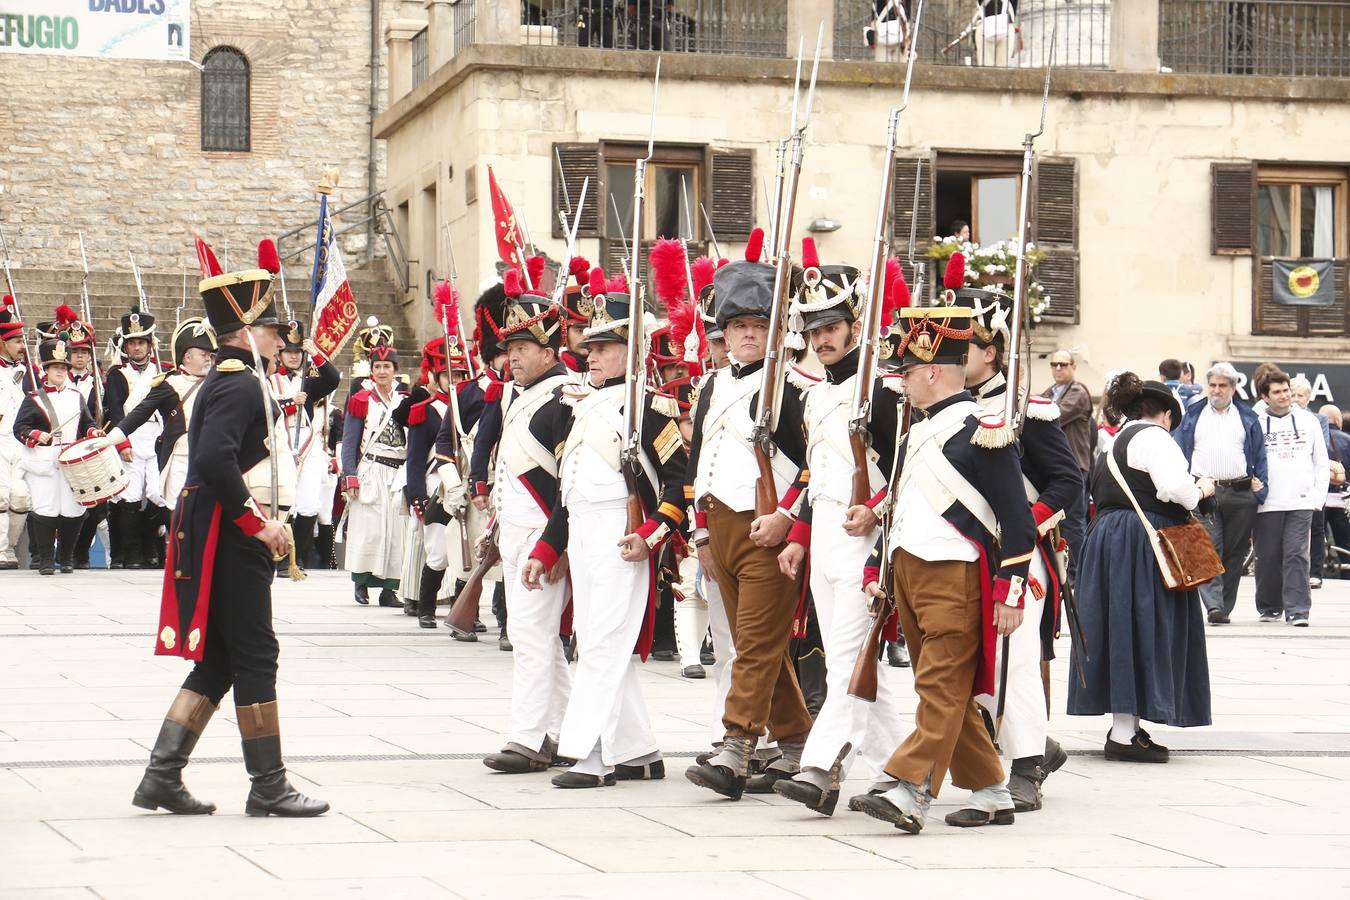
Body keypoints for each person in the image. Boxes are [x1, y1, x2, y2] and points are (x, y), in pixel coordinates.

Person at [133, 243, 326, 818]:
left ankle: (161, 777)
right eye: (269, 325)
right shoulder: (240, 381)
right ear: (246, 327)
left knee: (217, 660)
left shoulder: (235, 377)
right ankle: (268, 785)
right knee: (255, 653)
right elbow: (213, 460)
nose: (278, 335)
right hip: (225, 533)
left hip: (216, 528)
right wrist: (257, 524)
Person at [847, 303, 1037, 834]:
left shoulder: (983, 429)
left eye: (905, 372)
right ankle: (993, 792)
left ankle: (910, 789)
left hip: (956, 575)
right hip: (910, 571)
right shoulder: (917, 431)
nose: (900, 383)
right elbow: (903, 510)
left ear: (932, 370)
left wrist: (1010, 592)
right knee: (945, 688)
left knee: (938, 684)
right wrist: (878, 570)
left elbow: (1017, 522)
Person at [524, 264, 688, 788]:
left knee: (600, 644)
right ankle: (639, 751)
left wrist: (650, 536)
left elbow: (677, 487)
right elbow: (569, 497)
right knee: (600, 638)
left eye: (602, 345)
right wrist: (547, 551)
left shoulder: (650, 407)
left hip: (623, 537)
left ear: (630, 349)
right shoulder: (586, 407)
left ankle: (590, 755)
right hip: (587, 534)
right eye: (589, 345)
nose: (588, 354)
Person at [770, 241, 908, 816]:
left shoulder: (884, 390)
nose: (822, 339)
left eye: (832, 327)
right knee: (844, 660)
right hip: (824, 526)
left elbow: (904, 467)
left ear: (856, 325)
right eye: (813, 329)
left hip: (863, 534)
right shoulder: (814, 394)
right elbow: (811, 471)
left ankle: (821, 768)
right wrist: (799, 535)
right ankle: (904, 764)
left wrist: (876, 508)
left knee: (851, 652)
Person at [681, 230, 815, 801]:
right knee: (756, 642)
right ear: (726, 334)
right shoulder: (710, 386)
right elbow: (698, 462)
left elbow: (815, 465)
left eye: (759, 328)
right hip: (722, 528)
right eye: (739, 328)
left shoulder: (793, 388)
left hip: (768, 529)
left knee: (755, 644)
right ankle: (795, 745)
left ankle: (735, 745)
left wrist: (787, 516)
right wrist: (702, 534)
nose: (748, 336)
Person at [962, 273, 1083, 813]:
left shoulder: (1026, 408)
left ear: (989, 352)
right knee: (972, 659)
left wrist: (1024, 523)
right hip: (966, 545)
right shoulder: (948, 404)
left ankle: (1027, 765)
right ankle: (1036, 742)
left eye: (959, 343)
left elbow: (1067, 482)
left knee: (1012, 658)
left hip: (1019, 549)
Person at [1068, 373, 1212, 762]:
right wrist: (1203, 490)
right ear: (1165, 414)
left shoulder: (1113, 440)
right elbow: (1176, 490)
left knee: (1121, 629)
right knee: (1144, 626)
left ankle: (1125, 727)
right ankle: (1124, 735)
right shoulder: (1154, 437)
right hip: (1143, 539)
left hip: (1110, 535)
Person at [474, 271, 576, 774]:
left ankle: (528, 737)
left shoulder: (566, 397)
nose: (511, 357)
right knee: (538, 638)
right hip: (514, 533)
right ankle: (564, 729)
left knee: (532, 639)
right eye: (509, 347)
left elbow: (568, 486)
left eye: (522, 346)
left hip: (543, 535)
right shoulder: (516, 395)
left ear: (549, 350)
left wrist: (556, 546)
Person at [1173, 362, 1268, 625]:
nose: (1216, 390)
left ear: (1233, 387)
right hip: (1204, 493)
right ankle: (1213, 605)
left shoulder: (1247, 417)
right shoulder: (1192, 414)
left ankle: (1224, 606)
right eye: (1212, 385)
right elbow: (1179, 451)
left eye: (1222, 385)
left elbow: (1260, 456)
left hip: (1240, 492)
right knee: (1207, 548)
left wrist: (1261, 490)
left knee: (1234, 553)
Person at [405, 323, 481, 628]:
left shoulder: (474, 404)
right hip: (439, 486)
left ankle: (467, 613)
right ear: (436, 377)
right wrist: (418, 497)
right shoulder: (424, 410)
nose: (456, 380)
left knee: (470, 552)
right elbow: (414, 460)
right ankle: (426, 608)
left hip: (468, 484)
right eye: (450, 375)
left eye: (462, 375)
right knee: (438, 552)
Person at [106, 318, 219, 515]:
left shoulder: (217, 383)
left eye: (210, 354)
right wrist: (112, 440)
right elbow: (138, 413)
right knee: (175, 509)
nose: (209, 359)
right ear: (187, 357)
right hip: (178, 456)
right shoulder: (168, 382)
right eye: (204, 354)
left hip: (209, 457)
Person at [12, 334, 99, 575]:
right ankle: (47, 560)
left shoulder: (76, 397)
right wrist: (36, 435)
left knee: (73, 509)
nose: (60, 371)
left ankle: (67, 558)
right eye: (55, 367)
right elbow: (19, 428)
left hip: (70, 459)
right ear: (46, 370)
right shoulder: (33, 398)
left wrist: (93, 431)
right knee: (45, 509)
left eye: (63, 367)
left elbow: (87, 424)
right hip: (43, 461)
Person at [1253, 370, 1328, 626]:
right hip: (1267, 502)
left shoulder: (1310, 422)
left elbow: (1321, 462)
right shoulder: (1256, 422)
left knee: (1296, 554)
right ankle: (1270, 605)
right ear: (1265, 397)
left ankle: (1298, 610)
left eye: (1286, 390)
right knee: (1268, 556)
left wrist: (1317, 497)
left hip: (1301, 501)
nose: (1284, 396)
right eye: (1277, 392)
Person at [341, 339, 408, 607]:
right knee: (369, 531)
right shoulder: (361, 400)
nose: (382, 371)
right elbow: (349, 442)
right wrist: (350, 476)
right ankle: (361, 584)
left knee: (395, 532)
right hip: (371, 469)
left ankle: (390, 590)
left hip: (398, 471)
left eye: (387, 366)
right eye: (377, 366)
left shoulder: (406, 400)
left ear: (395, 370)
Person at [104, 305, 171, 570]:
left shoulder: (164, 371)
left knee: (157, 493)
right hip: (131, 436)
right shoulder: (118, 375)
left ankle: (152, 548)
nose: (138, 348)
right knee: (130, 497)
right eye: (132, 343)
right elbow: (118, 410)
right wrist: (122, 443)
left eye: (142, 342)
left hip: (157, 437)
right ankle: (132, 554)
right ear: (126, 346)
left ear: (150, 344)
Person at [270, 320, 340, 575]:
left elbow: (332, 380)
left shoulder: (307, 380)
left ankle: (294, 558)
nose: (292, 356)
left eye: (297, 352)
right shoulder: (269, 378)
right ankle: (277, 557)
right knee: (282, 502)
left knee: (309, 503)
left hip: (307, 446)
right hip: (279, 444)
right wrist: (289, 403)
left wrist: (315, 354)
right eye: (288, 351)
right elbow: (262, 406)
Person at [0, 295, 34, 570]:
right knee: (1, 496)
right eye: (17, 342)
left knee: (21, 497)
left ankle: (10, 547)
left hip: (21, 443)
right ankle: (2, 552)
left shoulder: (29, 372)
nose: (22, 347)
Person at [1290, 376, 1332, 588]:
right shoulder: (1282, 418)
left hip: (1313, 479)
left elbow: (1322, 447)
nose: (1297, 399)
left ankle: (1316, 572)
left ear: (1308, 398)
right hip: (1289, 482)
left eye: (1301, 395)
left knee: (1317, 527)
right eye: (1294, 394)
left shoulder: (1318, 420)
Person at [1320, 405, 1350, 578]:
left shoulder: (1314, 439)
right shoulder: (1347, 440)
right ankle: (1347, 577)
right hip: (1342, 499)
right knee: (1345, 543)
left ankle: (1318, 574)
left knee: (1317, 541)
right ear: (1338, 420)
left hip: (1319, 500)